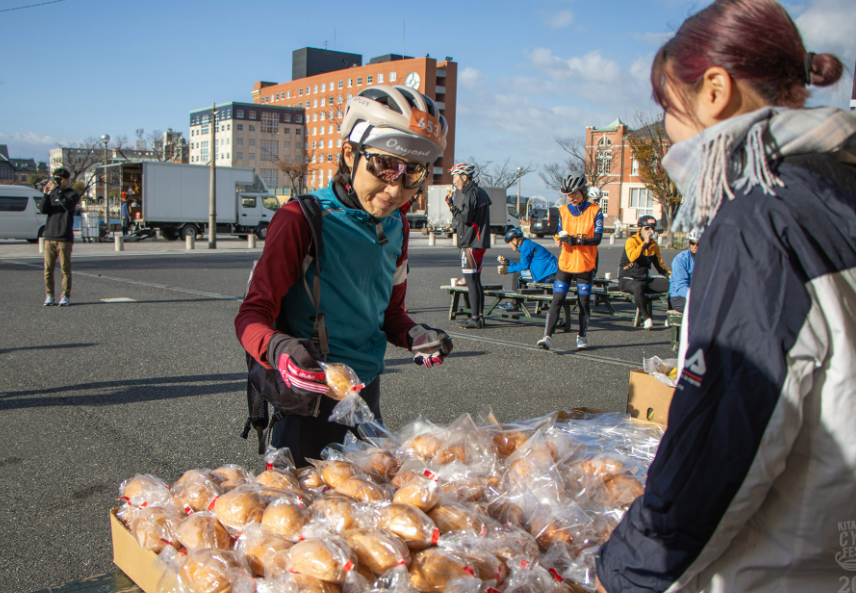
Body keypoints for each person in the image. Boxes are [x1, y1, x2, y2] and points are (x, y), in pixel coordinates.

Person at [596, 1, 855, 591]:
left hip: (783, 559)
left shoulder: (760, 214)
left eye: (668, 106)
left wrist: (628, 571)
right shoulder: (836, 183)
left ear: (714, 90)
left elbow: (728, 432)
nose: (666, 128)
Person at [235, 85, 454, 466]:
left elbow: (390, 315)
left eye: (412, 173)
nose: (394, 188)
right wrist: (279, 350)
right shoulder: (299, 219)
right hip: (308, 399)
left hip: (365, 394)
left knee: (370, 512)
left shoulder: (398, 225)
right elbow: (251, 316)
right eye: (385, 166)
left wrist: (416, 335)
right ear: (349, 153)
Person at [537, 174, 603, 351]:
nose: (571, 197)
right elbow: (560, 231)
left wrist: (579, 241)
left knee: (583, 302)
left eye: (574, 193)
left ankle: (582, 336)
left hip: (585, 264)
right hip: (566, 263)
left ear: (583, 191)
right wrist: (559, 238)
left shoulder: (595, 211)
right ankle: (547, 337)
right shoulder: (563, 210)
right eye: (568, 194)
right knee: (557, 299)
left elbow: (597, 238)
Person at [447, 162, 491, 329]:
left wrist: (452, 207)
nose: (454, 181)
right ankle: (478, 316)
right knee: (476, 280)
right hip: (479, 242)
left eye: (456, 177)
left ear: (464, 177)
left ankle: (475, 318)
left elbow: (465, 219)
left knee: (470, 281)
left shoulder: (471, 193)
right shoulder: (480, 192)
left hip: (471, 242)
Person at [617, 215, 671, 329]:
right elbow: (632, 257)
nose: (650, 231)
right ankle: (646, 318)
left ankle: (670, 315)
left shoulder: (654, 245)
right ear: (640, 228)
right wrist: (645, 243)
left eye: (652, 228)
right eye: (647, 228)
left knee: (673, 284)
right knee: (637, 286)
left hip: (643, 279)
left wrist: (671, 276)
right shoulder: (631, 241)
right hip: (628, 279)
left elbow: (660, 267)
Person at [40, 168, 80, 307]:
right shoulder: (52, 194)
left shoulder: (72, 194)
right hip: (49, 236)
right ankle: (49, 295)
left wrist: (58, 191)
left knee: (65, 269)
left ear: (66, 179)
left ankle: (65, 296)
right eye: (55, 178)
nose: (56, 181)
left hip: (64, 238)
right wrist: (46, 194)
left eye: (59, 179)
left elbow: (67, 205)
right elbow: (43, 210)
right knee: (48, 269)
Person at [668, 228, 701, 313]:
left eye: (698, 244)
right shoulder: (681, 259)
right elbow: (681, 287)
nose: (694, 246)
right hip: (679, 296)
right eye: (692, 243)